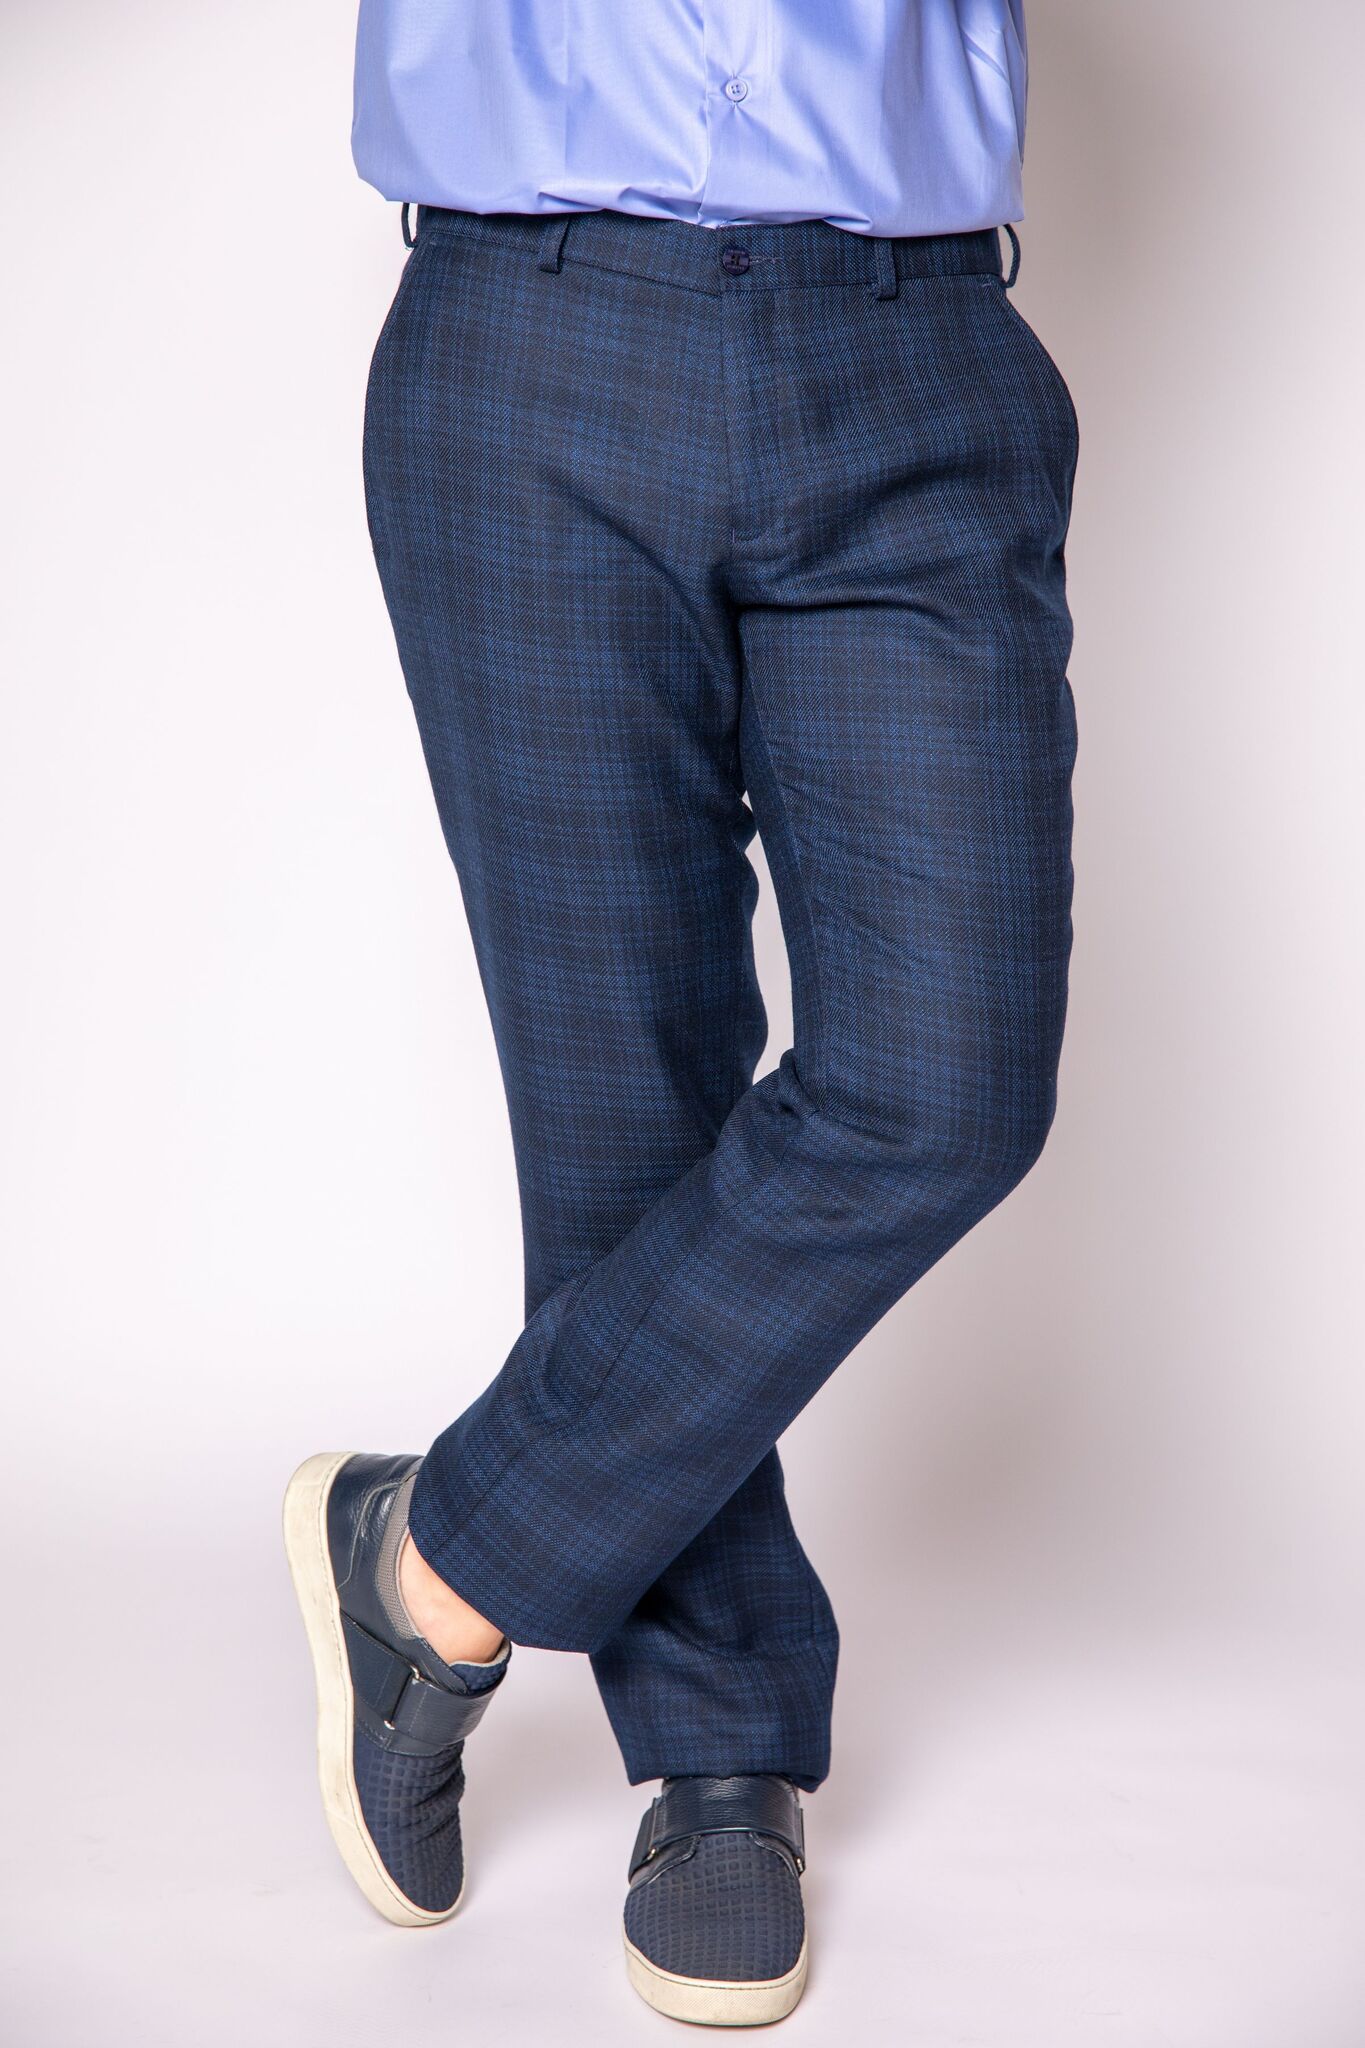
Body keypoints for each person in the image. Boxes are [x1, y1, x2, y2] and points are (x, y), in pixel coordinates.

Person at [284, 0, 1077, 2025]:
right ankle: (718, 1745)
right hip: (534, 325)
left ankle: (430, 1555)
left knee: (944, 1089)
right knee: (618, 1094)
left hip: (909, 338)